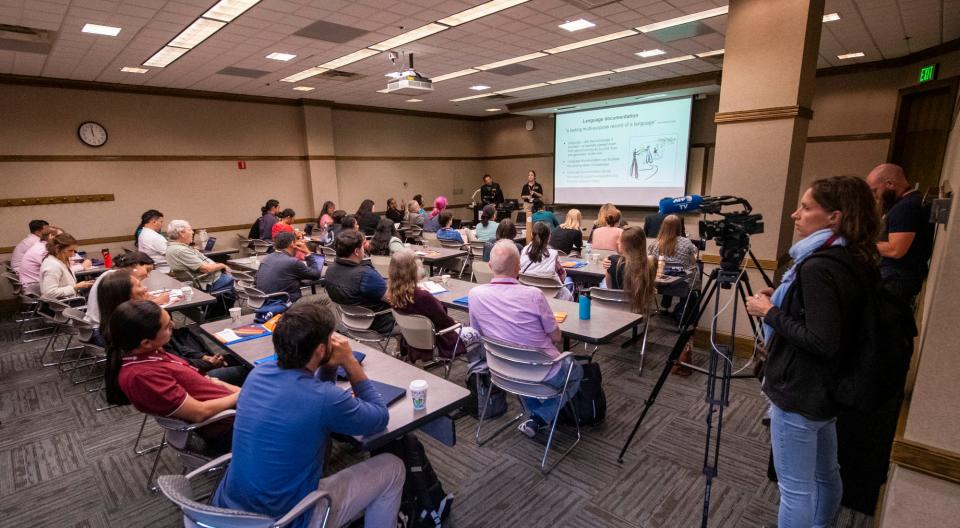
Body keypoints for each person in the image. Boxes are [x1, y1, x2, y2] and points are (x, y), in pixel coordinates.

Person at [745, 175, 881, 528]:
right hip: (827, 389)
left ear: (834, 216)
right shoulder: (851, 256)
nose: (795, 214)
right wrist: (784, 296)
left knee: (796, 490)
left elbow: (822, 340)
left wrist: (769, 311)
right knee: (826, 474)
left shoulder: (818, 266)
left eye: (805, 208)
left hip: (800, 391)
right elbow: (830, 316)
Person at [212, 301, 403, 528]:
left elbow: (316, 399)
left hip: (227, 513)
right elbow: (380, 418)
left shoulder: (257, 374)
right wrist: (350, 362)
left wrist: (329, 366)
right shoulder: (324, 398)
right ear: (321, 350)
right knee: (393, 467)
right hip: (285, 521)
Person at [469, 240, 582, 438]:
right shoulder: (534, 295)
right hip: (542, 372)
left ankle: (534, 414)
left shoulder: (475, 295)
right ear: (518, 267)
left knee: (519, 362)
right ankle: (540, 417)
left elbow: (477, 333)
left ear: (489, 265)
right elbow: (556, 336)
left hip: (503, 371)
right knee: (576, 371)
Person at [104, 300, 240, 454]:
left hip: (232, 408)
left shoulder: (151, 353)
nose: (174, 326)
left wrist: (234, 390)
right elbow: (200, 412)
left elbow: (201, 378)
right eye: (167, 326)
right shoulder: (143, 375)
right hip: (229, 427)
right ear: (146, 342)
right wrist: (242, 395)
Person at [388, 249, 482, 363]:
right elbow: (446, 322)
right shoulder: (422, 296)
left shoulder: (393, 294)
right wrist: (458, 323)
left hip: (412, 341)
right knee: (478, 333)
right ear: (413, 271)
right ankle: (476, 371)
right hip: (439, 343)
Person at [866, 163, 933, 305]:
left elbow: (896, 250)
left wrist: (864, 243)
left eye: (875, 190)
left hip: (897, 279)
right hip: (897, 277)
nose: (876, 196)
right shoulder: (908, 202)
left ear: (889, 184)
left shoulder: (906, 208)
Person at [324, 230, 395, 334]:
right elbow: (393, 299)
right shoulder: (366, 275)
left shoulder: (330, 270)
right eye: (362, 246)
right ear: (356, 251)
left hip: (349, 320)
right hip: (378, 322)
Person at [86, 251, 169, 328]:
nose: (148, 275)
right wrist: (157, 301)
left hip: (99, 325)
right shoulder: (118, 279)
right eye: (147, 270)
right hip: (106, 329)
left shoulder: (112, 274)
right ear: (135, 265)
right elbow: (129, 311)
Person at [165, 219, 235, 298]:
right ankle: (227, 308)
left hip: (205, 280)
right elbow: (206, 269)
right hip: (210, 282)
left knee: (235, 276)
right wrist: (222, 265)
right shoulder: (181, 251)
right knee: (241, 280)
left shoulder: (173, 247)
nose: (192, 232)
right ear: (182, 233)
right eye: (190, 230)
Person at [647, 214, 698, 312]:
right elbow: (693, 261)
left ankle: (664, 307)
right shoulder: (686, 242)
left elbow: (650, 262)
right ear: (679, 226)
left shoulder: (655, 244)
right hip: (681, 284)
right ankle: (681, 311)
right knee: (689, 271)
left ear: (663, 226)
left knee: (667, 270)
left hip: (659, 284)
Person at [255, 232, 323, 303]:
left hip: (264, 302)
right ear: (292, 244)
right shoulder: (293, 262)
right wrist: (308, 253)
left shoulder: (266, 258)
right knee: (325, 298)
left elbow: (256, 279)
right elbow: (316, 275)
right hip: (286, 303)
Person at [520, 222, 572, 300]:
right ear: (549, 237)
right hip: (551, 294)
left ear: (531, 235)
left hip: (528, 292)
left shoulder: (525, 250)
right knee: (569, 282)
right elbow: (562, 275)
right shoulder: (553, 254)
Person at [39, 233, 95, 299]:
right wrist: (76, 287)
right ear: (57, 249)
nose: (73, 254)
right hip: (65, 304)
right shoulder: (52, 266)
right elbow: (49, 293)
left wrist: (81, 285)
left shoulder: (59, 260)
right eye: (70, 251)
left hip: (70, 298)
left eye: (74, 251)